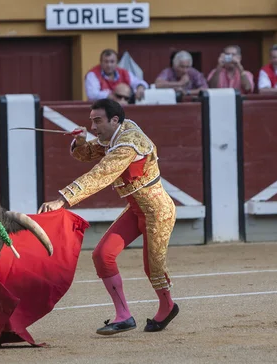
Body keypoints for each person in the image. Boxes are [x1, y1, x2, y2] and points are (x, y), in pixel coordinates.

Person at [38, 98, 179, 335]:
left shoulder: (127, 145)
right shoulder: (116, 133)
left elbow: (100, 174)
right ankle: (123, 316)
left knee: (153, 266)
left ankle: (167, 306)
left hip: (158, 211)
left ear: (114, 120)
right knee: (103, 255)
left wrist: (62, 200)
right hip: (136, 211)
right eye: (91, 121)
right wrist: (80, 141)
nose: (93, 127)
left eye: (97, 121)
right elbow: (87, 154)